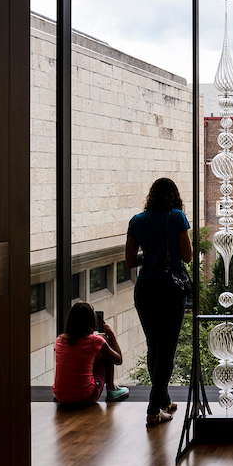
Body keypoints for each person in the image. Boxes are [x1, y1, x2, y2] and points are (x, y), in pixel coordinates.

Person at [126, 177, 193, 427]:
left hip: (145, 289)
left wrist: (150, 255)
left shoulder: (137, 221)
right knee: (166, 350)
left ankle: (164, 401)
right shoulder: (176, 217)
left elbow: (131, 261)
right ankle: (153, 410)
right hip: (170, 288)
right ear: (174, 196)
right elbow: (186, 255)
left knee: (153, 346)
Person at [52, 302, 127, 408]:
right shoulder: (96, 341)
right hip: (84, 397)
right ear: (92, 321)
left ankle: (66, 391)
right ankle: (112, 389)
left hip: (60, 397)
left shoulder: (60, 339)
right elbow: (118, 359)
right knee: (105, 354)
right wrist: (110, 335)